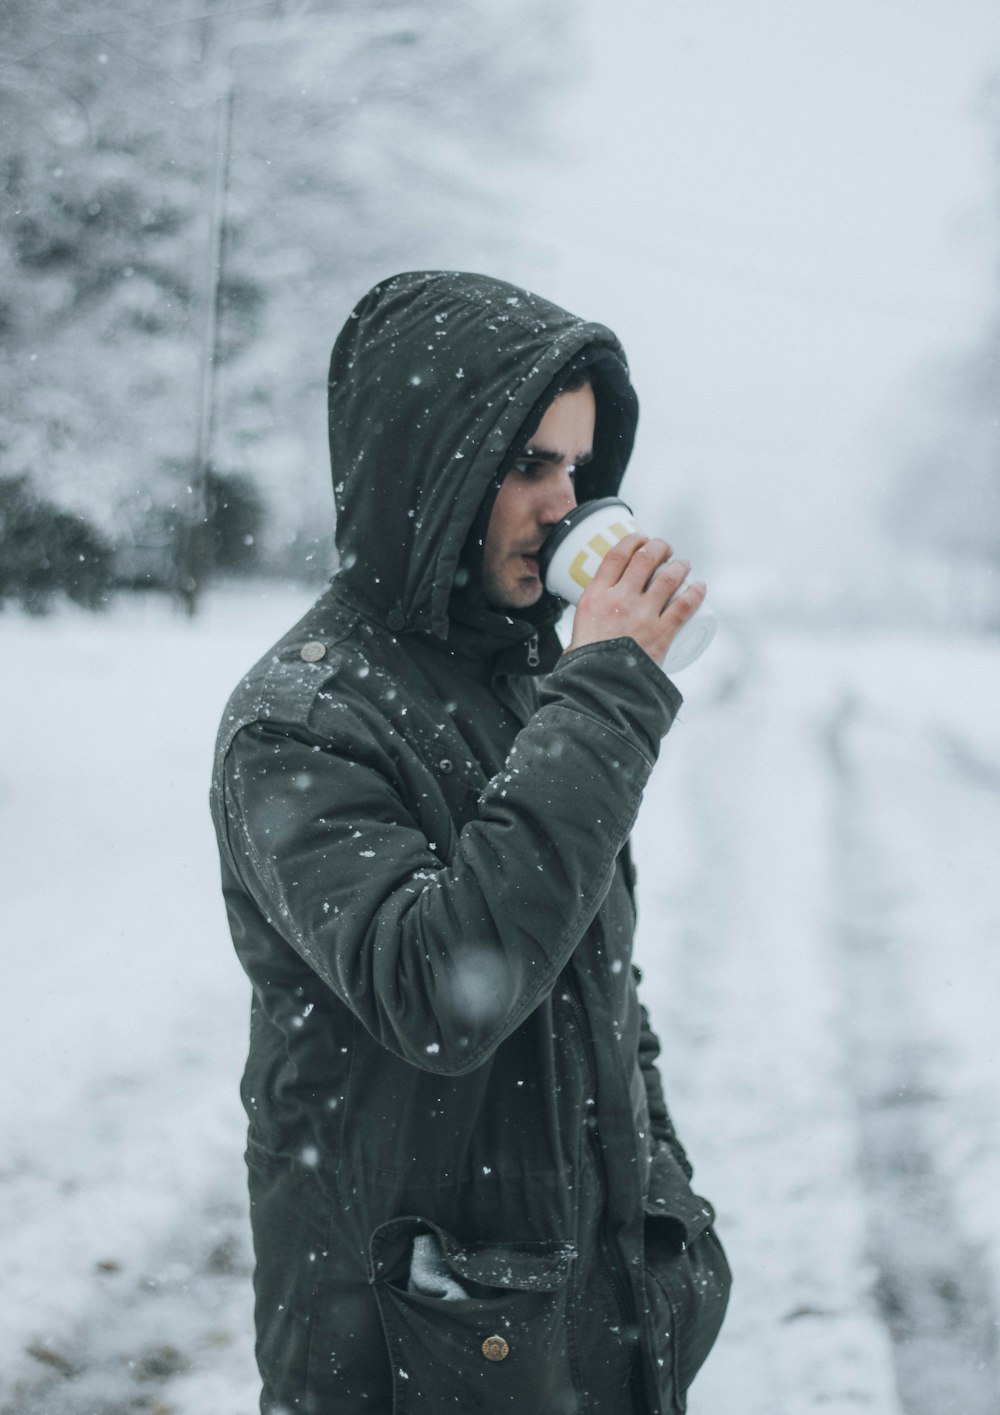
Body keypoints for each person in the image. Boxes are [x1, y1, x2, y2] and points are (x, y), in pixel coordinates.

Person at [210, 270, 731, 1415]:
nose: (565, 505)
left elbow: (596, 979)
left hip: (581, 1328)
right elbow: (444, 990)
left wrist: (657, 1183)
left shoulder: (523, 681)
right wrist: (606, 697)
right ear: (424, 466)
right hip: (409, 1354)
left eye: (579, 470)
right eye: (528, 463)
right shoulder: (303, 719)